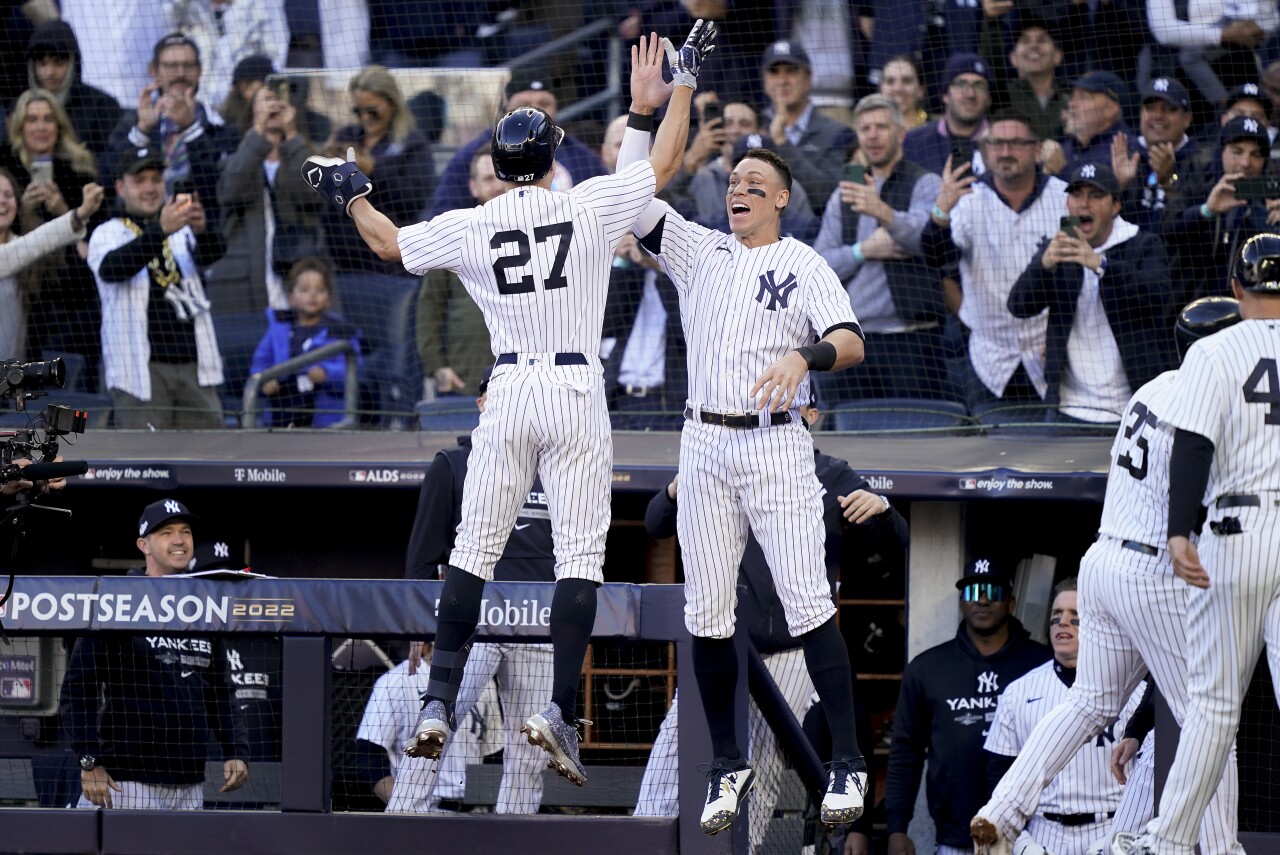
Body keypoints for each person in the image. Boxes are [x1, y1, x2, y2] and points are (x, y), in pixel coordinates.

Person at [302, 27, 711, 787]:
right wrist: (676, 86)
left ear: (496, 165)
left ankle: (435, 700)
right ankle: (557, 708)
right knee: (578, 558)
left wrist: (352, 190)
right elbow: (662, 164)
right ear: (552, 158)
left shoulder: (475, 217)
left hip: (510, 388)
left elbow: (387, 245)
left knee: (472, 551)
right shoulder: (586, 202)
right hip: (576, 387)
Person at [615, 48, 872, 838]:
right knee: (707, 612)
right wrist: (647, 111)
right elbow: (629, 203)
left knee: (806, 602)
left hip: (773, 445)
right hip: (703, 443)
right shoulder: (700, 251)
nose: (741, 191)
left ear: (785, 200)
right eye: (733, 183)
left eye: (756, 185)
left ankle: (851, 762)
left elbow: (851, 341)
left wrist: (805, 354)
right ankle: (728, 761)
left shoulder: (801, 261)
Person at [968, 296, 1247, 855]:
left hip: (1101, 562)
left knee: (1089, 701)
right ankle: (1222, 850)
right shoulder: (1212, 399)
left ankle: (1002, 812)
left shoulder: (1154, 387)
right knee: (1208, 720)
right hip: (1154, 567)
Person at [634, 399, 909, 852]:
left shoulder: (831, 473)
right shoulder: (721, 459)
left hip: (789, 653)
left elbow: (895, 541)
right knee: (672, 750)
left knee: (758, 772)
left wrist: (882, 507)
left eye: (789, 407)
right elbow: (655, 523)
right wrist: (675, 489)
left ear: (811, 415)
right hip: (723, 646)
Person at [1119, 234, 1280, 855]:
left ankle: (1171, 839)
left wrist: (1179, 530)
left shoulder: (1216, 348)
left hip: (1238, 537)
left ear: (1238, 291)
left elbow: (1192, 445)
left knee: (1213, 707)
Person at [400, 378, 556, 813]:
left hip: (538, 623)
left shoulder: (554, 468)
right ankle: (399, 825)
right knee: (433, 730)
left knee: (531, 754)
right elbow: (423, 555)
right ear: (482, 401)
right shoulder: (452, 463)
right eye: (498, 395)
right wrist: (418, 625)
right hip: (473, 620)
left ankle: (514, 843)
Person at [59, 498, 250, 810]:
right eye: (166, 532)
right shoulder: (116, 599)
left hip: (189, 781)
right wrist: (88, 760)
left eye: (185, 532)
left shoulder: (202, 605)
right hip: (126, 782)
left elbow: (220, 692)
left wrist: (235, 750)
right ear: (143, 545)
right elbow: (79, 688)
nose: (179, 540)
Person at [885, 558, 1051, 855]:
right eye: (973, 593)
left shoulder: (1042, 665)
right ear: (962, 603)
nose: (983, 600)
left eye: (993, 592)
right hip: (955, 839)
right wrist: (897, 828)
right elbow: (904, 753)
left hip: (1033, 837)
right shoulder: (928, 668)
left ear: (1010, 603)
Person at [1007, 162, 1177, 426]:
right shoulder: (1057, 248)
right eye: (1076, 195)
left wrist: (1100, 264)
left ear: (1115, 206)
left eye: (1096, 195)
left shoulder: (1143, 243)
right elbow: (1018, 305)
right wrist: (1044, 265)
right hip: (1068, 409)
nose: (1083, 204)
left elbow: (1158, 296)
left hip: (1133, 409)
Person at [983, 578, 1142, 855]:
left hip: (1111, 827)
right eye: (1056, 615)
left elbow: (1151, 777)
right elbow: (998, 775)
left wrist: (1119, 838)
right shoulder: (1019, 692)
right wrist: (1020, 843)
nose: (1062, 622)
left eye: (1075, 616)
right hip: (1043, 832)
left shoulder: (1134, 691)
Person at [922, 114, 1067, 416]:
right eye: (996, 144)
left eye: (1015, 143)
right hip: (988, 359)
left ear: (1037, 150)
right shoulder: (968, 198)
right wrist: (941, 212)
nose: (1004, 152)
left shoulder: (1064, 196)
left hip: (1053, 355)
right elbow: (937, 257)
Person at [814, 93, 949, 404]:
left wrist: (882, 211)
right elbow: (821, 266)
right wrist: (864, 250)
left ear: (901, 133)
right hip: (852, 338)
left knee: (916, 431)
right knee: (855, 435)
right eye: (865, 129)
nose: (872, 135)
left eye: (881, 127)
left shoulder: (925, 183)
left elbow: (927, 240)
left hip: (914, 338)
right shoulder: (845, 194)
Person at [88, 144, 226, 429]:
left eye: (156, 179)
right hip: (139, 371)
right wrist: (160, 230)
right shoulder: (107, 231)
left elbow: (212, 254)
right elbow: (112, 269)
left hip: (195, 365)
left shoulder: (180, 228)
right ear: (120, 187)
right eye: (139, 181)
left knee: (209, 459)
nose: (150, 188)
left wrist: (202, 231)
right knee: (146, 464)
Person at [207, 82, 323, 317]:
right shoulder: (237, 159)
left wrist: (291, 136)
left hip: (301, 270)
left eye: (279, 101)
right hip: (249, 274)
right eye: (265, 103)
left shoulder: (307, 154)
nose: (273, 107)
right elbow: (230, 191)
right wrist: (258, 132)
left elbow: (310, 196)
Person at [427, 71, 607, 219]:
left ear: (556, 108)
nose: (536, 109)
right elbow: (445, 213)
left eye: (544, 103)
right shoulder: (472, 154)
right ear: (507, 108)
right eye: (524, 104)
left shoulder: (581, 156)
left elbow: (604, 209)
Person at [106, 33, 237, 221]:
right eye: (171, 66)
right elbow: (110, 178)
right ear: (154, 71)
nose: (180, 73)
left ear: (200, 70)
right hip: (142, 231)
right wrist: (142, 129)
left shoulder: (222, 127)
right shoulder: (130, 121)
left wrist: (191, 129)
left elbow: (219, 189)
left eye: (188, 65)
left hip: (202, 234)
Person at [321, 65, 433, 280]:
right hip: (343, 259)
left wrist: (373, 170)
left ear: (392, 104)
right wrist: (328, 163)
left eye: (373, 111)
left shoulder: (413, 143)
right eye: (358, 111)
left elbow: (416, 199)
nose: (365, 117)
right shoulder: (347, 136)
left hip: (390, 264)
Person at [415, 150, 502, 399]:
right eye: (487, 179)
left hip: (523, 384)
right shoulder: (454, 237)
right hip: (464, 382)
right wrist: (437, 366)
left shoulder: (536, 234)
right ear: (473, 187)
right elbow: (429, 309)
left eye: (500, 177)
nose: (496, 186)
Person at [248, 257, 363, 428]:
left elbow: (356, 370)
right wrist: (265, 381)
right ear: (290, 298)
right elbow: (259, 365)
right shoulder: (277, 329)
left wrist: (327, 373)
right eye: (304, 289)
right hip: (280, 416)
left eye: (320, 289)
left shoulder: (341, 330)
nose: (313, 295)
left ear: (329, 298)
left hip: (326, 421)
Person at [0, 169, 102, 360]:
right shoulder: (24, 250)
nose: (3, 201)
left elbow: (74, 293)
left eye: (8, 195)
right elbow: (24, 249)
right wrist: (77, 215)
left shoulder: (33, 258)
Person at [756, 40, 858, 218]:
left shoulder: (838, 134)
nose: (782, 81)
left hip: (812, 235)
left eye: (791, 71)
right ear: (764, 82)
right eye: (774, 72)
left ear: (809, 78)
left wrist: (782, 142)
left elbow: (826, 195)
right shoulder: (752, 127)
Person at [162, 0, 290, 109]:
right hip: (197, 105)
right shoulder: (186, 8)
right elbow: (167, 19)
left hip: (242, 106)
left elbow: (276, 59)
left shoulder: (258, 7)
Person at [22, 20, 122, 161]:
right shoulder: (19, 109)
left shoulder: (102, 107)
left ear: (73, 63)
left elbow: (112, 163)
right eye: (42, 64)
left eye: (58, 62)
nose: (50, 72)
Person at [1112, 78, 1196, 234]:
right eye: (1150, 108)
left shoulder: (1202, 162)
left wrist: (1170, 179)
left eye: (1169, 109)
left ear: (1187, 119)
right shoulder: (1123, 155)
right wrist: (1118, 187)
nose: (1158, 115)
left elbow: (1200, 226)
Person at [980, 17, 1066, 143]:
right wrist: (992, 22)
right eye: (1025, 41)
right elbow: (989, 63)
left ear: (1057, 56)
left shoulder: (1071, 101)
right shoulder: (1000, 97)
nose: (1033, 46)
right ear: (1013, 58)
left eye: (1042, 40)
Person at [903, 54, 992, 176]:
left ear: (989, 98)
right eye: (961, 84)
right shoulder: (912, 142)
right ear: (945, 95)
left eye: (979, 86)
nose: (970, 94)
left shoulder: (1004, 144)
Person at [1057, 71, 1132, 176]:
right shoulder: (1064, 149)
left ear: (1110, 109)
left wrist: (1062, 170)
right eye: (1072, 96)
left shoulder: (1125, 154)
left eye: (1083, 97)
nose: (1072, 104)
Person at [880, 55, 929, 132]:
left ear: (921, 90)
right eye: (890, 81)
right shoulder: (865, 134)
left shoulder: (938, 136)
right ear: (881, 89)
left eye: (907, 81)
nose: (898, 89)